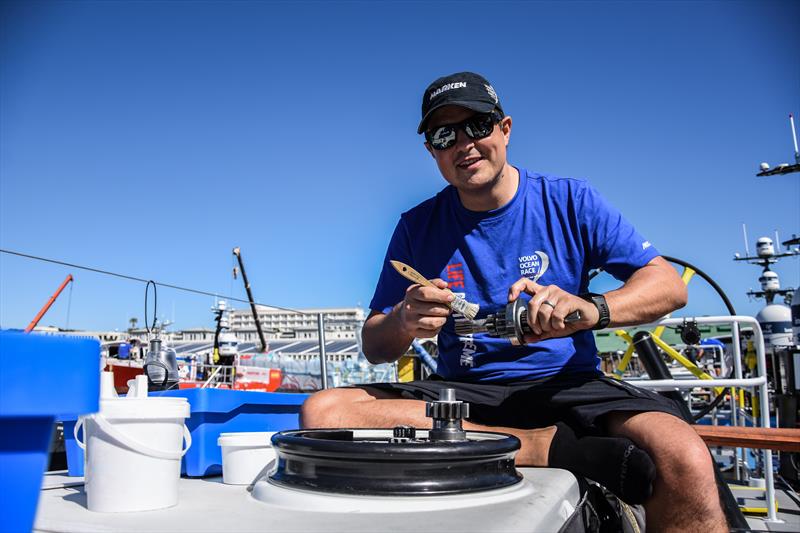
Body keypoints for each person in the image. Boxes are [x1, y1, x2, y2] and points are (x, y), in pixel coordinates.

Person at [301, 72, 726, 532]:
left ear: (504, 129)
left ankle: (522, 444)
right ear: (432, 151)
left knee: (683, 454)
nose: (464, 143)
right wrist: (403, 319)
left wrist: (590, 309)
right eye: (445, 134)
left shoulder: (570, 200)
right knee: (321, 412)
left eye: (477, 125)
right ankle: (539, 446)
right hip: (462, 394)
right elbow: (375, 345)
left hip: (568, 384)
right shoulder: (416, 226)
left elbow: (667, 285)